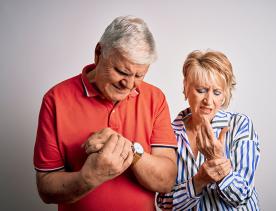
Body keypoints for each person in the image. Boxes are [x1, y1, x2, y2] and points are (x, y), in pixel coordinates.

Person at [33, 15, 178, 211]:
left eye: (139, 75)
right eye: (121, 71)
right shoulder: (55, 99)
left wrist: (127, 149)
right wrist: (90, 176)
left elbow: (166, 181)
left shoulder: (155, 98)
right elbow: (46, 188)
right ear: (98, 52)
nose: (128, 84)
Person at [156, 50, 261, 210]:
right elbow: (164, 203)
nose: (208, 100)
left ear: (224, 96)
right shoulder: (169, 133)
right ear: (186, 88)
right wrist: (199, 181)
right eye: (201, 90)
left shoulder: (240, 125)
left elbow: (242, 196)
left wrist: (216, 159)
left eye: (217, 92)